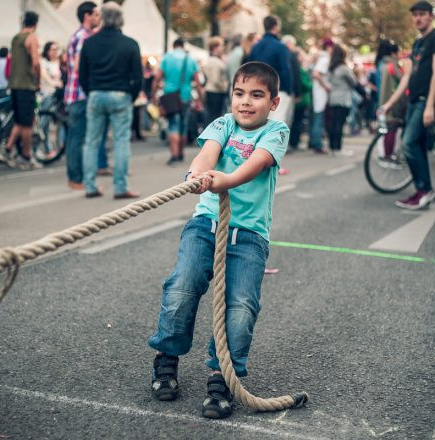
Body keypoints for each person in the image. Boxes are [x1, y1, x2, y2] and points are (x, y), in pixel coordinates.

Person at [148, 61, 289, 419]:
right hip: (206, 224)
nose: (245, 102)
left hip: (250, 236)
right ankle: (167, 357)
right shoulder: (223, 124)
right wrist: (197, 174)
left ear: (273, 102)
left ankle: (221, 376)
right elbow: (207, 153)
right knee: (182, 285)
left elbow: (254, 165)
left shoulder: (276, 131)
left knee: (240, 307)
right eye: (239, 94)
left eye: (256, 95)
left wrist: (223, 180)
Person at [79, 1, 142, 199]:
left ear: (102, 18)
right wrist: (130, 95)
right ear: (120, 19)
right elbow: (138, 77)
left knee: (91, 141)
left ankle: (90, 186)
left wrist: (91, 91)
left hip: (96, 94)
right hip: (121, 95)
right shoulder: (130, 44)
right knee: (121, 141)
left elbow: (82, 74)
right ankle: (120, 187)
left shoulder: (89, 43)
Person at [382, 0, 435, 209]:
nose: (418, 18)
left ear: (431, 16)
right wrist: (389, 103)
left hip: (424, 100)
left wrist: (430, 106)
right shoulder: (417, 43)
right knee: (417, 145)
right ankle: (423, 190)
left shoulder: (433, 39)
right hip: (413, 100)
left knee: (408, 143)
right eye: (415, 15)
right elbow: (406, 77)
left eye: (422, 14)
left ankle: (425, 189)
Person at [0, 11, 41, 170]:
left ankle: (8, 148)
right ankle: (26, 155)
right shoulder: (31, 38)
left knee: (19, 121)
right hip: (26, 85)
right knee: (28, 123)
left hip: (14, 84)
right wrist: (38, 80)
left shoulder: (16, 38)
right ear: (35, 23)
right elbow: (35, 62)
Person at [65, 1, 100, 190]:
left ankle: (76, 177)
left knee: (76, 137)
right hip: (80, 94)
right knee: (77, 138)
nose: (98, 18)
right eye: (95, 14)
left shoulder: (79, 35)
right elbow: (79, 66)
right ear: (87, 15)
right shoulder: (83, 37)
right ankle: (75, 178)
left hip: (76, 94)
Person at [152, 37, 204, 166]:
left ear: (174, 46)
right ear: (183, 46)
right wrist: (200, 99)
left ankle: (174, 155)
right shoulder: (190, 59)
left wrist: (153, 95)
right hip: (185, 96)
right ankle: (181, 153)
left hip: (170, 96)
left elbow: (157, 78)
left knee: (173, 125)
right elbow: (198, 82)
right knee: (183, 125)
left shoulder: (167, 58)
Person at [248, 16, 293, 125]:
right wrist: (289, 90)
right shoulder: (280, 47)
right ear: (276, 27)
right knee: (277, 123)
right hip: (278, 89)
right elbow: (285, 70)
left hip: (257, 89)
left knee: (258, 123)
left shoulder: (255, 47)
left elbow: (249, 68)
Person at [326, 44, 357, 154]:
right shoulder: (344, 68)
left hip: (333, 98)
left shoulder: (331, 68)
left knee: (333, 123)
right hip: (343, 99)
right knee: (340, 124)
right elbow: (354, 82)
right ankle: (338, 148)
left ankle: (332, 147)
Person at [309, 38, 334, 153]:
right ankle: (317, 144)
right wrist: (326, 86)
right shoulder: (325, 58)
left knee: (316, 117)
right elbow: (316, 74)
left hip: (317, 91)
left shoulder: (321, 57)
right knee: (319, 117)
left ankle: (314, 142)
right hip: (320, 93)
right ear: (329, 47)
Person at [40, 41, 63, 157]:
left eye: (56, 49)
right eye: (52, 49)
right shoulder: (44, 63)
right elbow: (44, 76)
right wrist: (55, 83)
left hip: (55, 96)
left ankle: (51, 148)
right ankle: (46, 149)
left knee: (51, 123)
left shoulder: (57, 63)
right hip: (45, 95)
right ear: (47, 50)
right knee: (43, 123)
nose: (55, 52)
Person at [203, 36, 229, 125]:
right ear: (215, 47)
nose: (223, 48)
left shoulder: (214, 60)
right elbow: (215, 80)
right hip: (216, 93)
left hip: (213, 92)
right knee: (214, 117)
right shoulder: (215, 61)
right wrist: (224, 87)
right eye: (221, 46)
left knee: (212, 116)